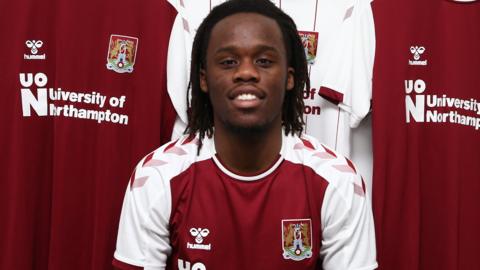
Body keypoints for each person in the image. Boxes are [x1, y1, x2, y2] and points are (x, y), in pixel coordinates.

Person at [113, 0, 377, 269]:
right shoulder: (157, 178)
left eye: (264, 61)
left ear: (289, 78)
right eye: (228, 61)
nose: (246, 73)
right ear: (203, 78)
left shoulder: (338, 181)